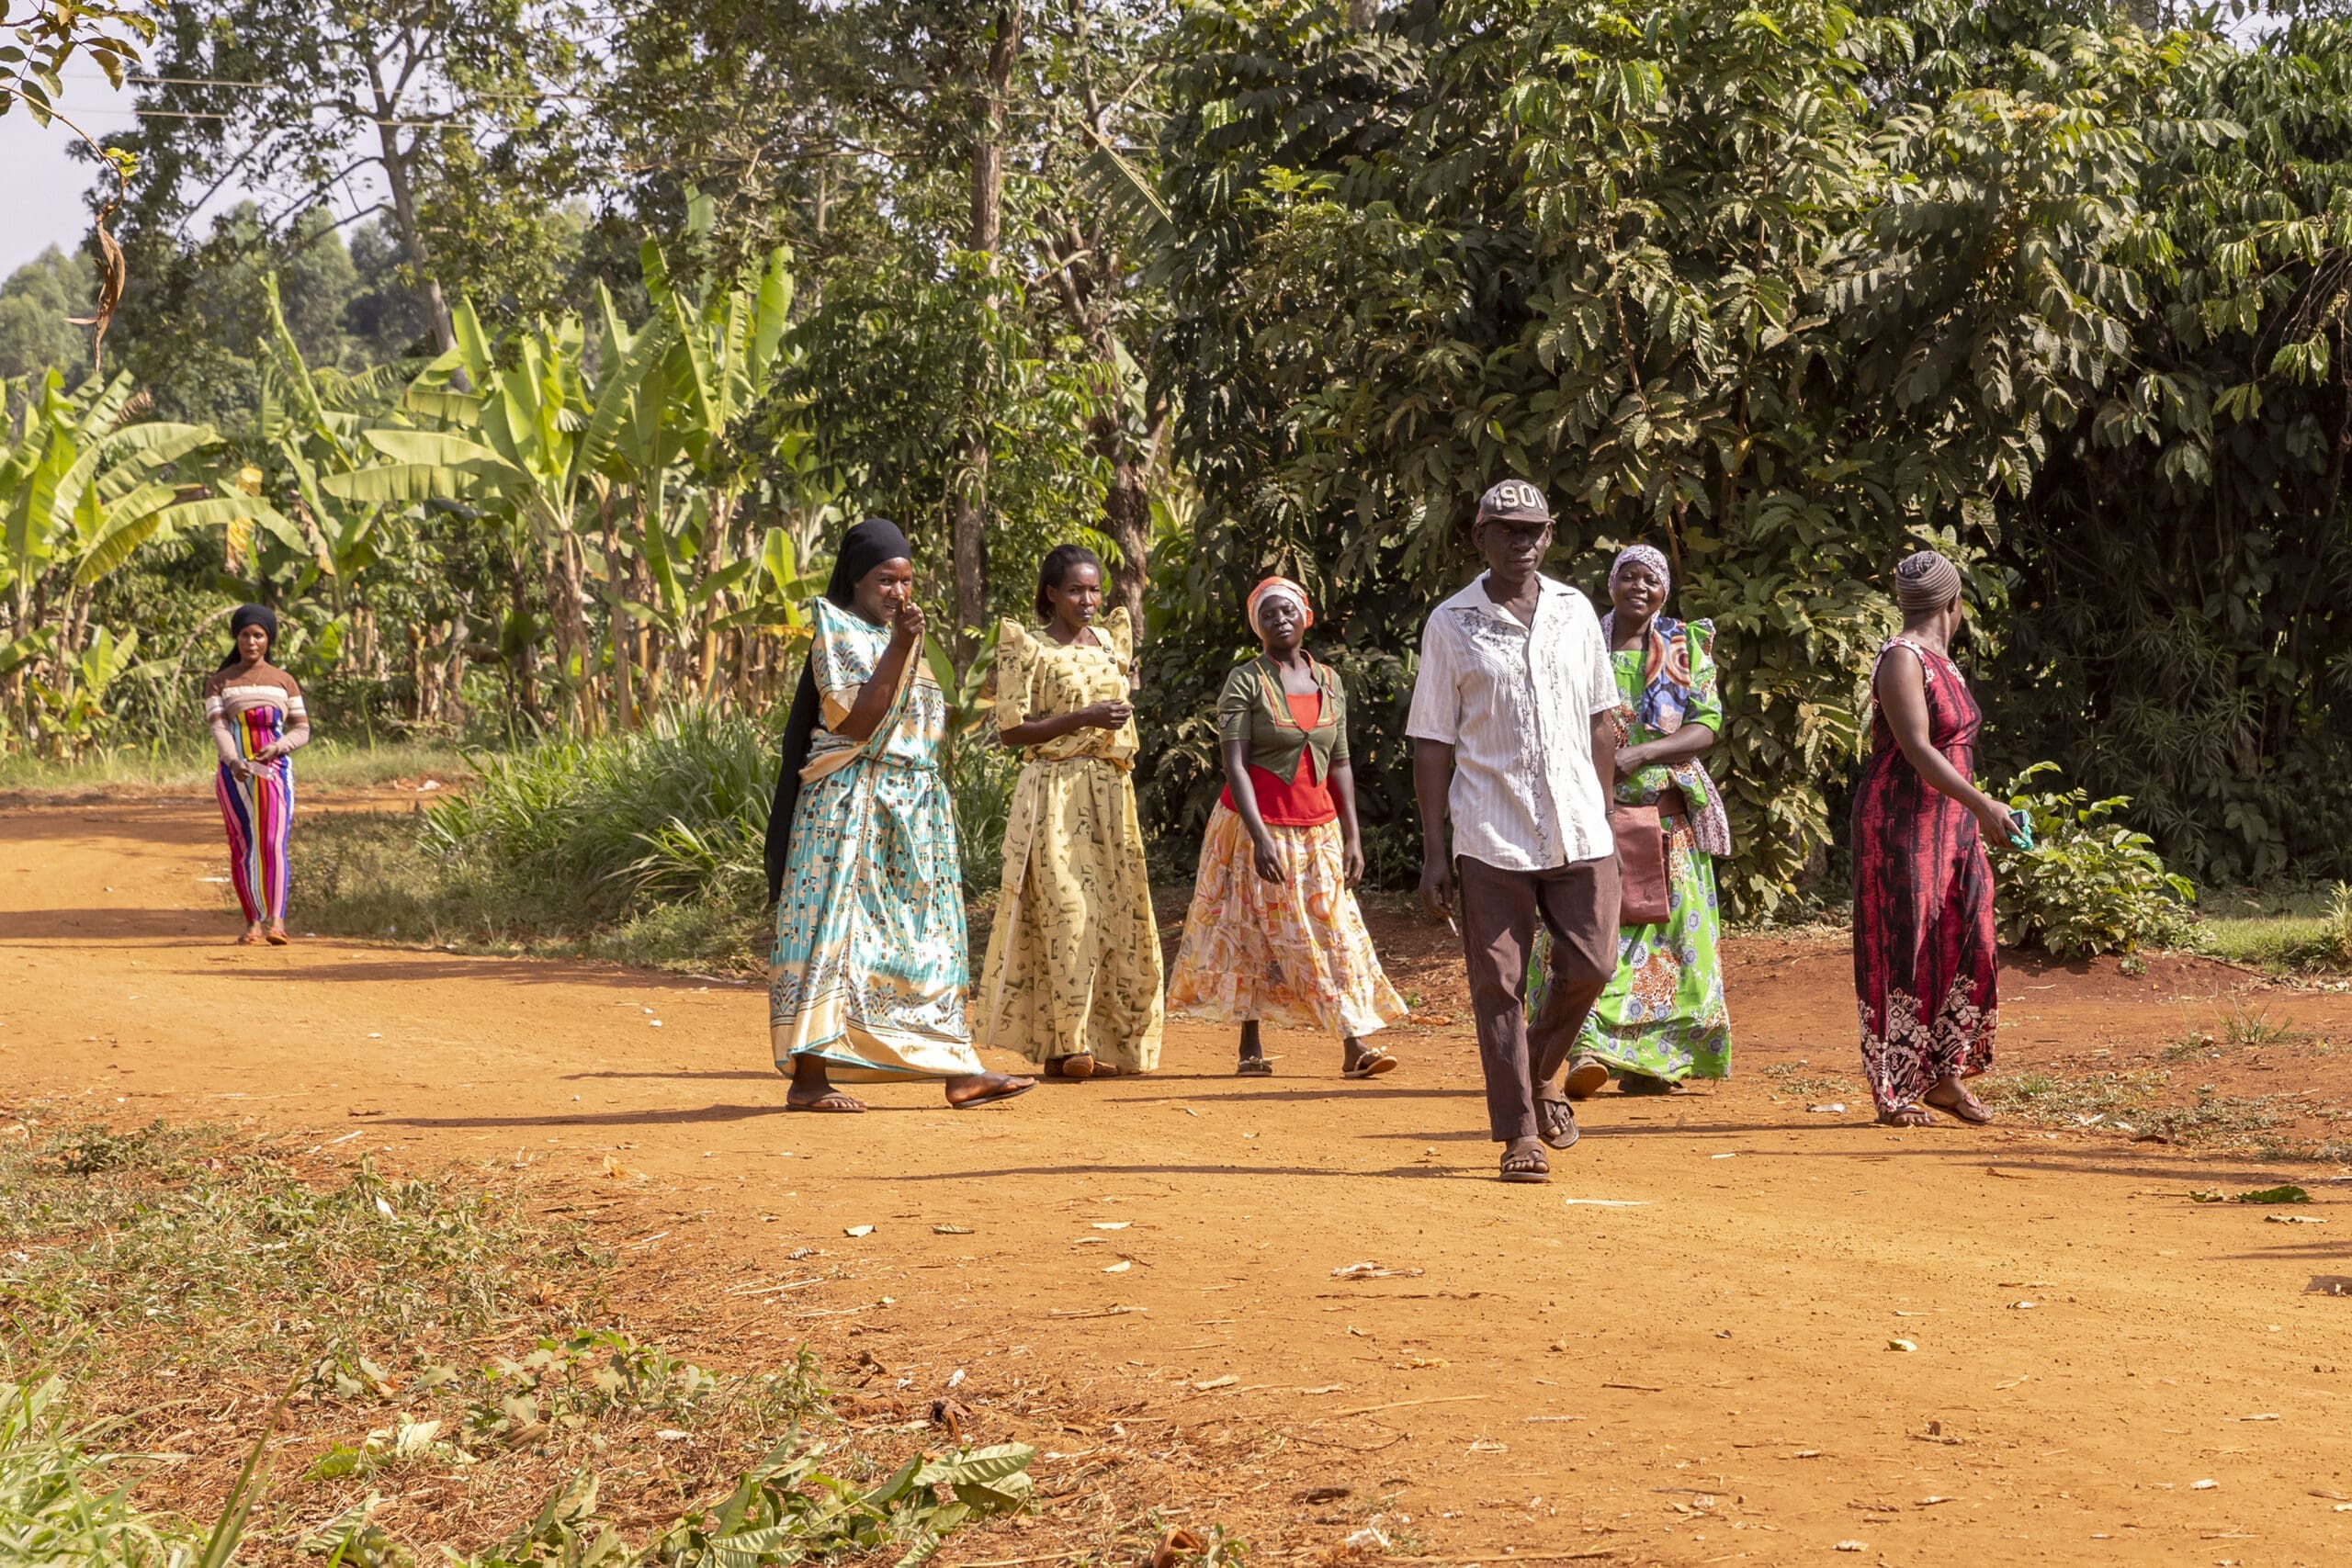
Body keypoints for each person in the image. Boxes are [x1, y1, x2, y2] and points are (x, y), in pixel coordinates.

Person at [762, 517, 1035, 1112]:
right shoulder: (835, 629)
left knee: (930, 939)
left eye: (907, 581)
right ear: (857, 580)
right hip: (849, 808)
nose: (899, 592)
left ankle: (957, 1069)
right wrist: (903, 646)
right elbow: (857, 721)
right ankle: (809, 1080)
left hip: (913, 810)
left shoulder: (899, 639)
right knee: (835, 937)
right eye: (887, 580)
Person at [1408, 480, 1620, 1182]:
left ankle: (1537, 1070)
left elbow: (1599, 720)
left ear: (1550, 535)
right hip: (1490, 830)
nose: (1520, 540)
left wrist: (1606, 811)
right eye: (1506, 529)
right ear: (1480, 536)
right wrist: (1436, 850)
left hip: (1579, 825)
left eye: (1532, 529)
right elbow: (1433, 740)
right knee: (1498, 980)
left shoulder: (1575, 610)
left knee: (1593, 963)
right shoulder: (1451, 623)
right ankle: (1519, 1133)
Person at [1167, 575, 1407, 1077]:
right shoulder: (1246, 680)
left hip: (1318, 828)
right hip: (1253, 825)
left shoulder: (1330, 681)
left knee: (1333, 929)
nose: (1281, 619)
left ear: (1306, 616)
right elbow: (1235, 763)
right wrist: (1258, 838)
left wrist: (1353, 836)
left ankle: (1353, 1043)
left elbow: (1340, 761)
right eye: (1269, 614)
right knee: (1249, 930)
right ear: (1259, 626)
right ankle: (1250, 1044)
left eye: (1288, 610)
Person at [1541, 544, 1735, 1096]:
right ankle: (1586, 1049)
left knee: (1670, 945)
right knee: (1592, 934)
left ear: (1665, 590)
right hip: (1593, 815)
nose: (1639, 588)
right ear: (1611, 584)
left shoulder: (1682, 645)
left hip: (1666, 822)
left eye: (1651, 579)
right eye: (1629, 576)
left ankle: (1654, 1062)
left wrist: (1642, 754)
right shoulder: (1581, 646)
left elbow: (1706, 725)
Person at [977, 545, 1165, 1078]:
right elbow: (1011, 731)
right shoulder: (1027, 647)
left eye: (1095, 590)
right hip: (1053, 795)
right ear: (1052, 593)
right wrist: (1084, 716)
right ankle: (1065, 1043)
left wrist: (1113, 722)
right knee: (1066, 914)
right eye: (1076, 590)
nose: (1088, 600)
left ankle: (1096, 1046)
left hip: (1110, 793)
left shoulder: (1110, 642)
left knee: (1111, 919)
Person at [1852, 548, 2013, 1127]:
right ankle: (1894, 1090)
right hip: (1902, 824)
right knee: (1904, 946)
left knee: (1967, 937)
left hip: (1953, 825)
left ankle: (1945, 1078)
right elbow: (1918, 751)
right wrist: (1984, 804)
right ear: (1954, 603)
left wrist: (1977, 813)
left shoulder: (1943, 661)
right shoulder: (1902, 658)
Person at [205, 604, 311, 945]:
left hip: (275, 772)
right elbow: (219, 728)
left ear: (269, 640)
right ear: (236, 638)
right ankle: (252, 922)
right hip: (233, 775)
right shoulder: (219, 682)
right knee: (242, 845)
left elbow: (302, 729)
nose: (251, 642)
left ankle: (276, 922)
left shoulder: (284, 681)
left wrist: (279, 748)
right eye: (245, 635)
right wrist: (234, 760)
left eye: (258, 635)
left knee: (272, 843)